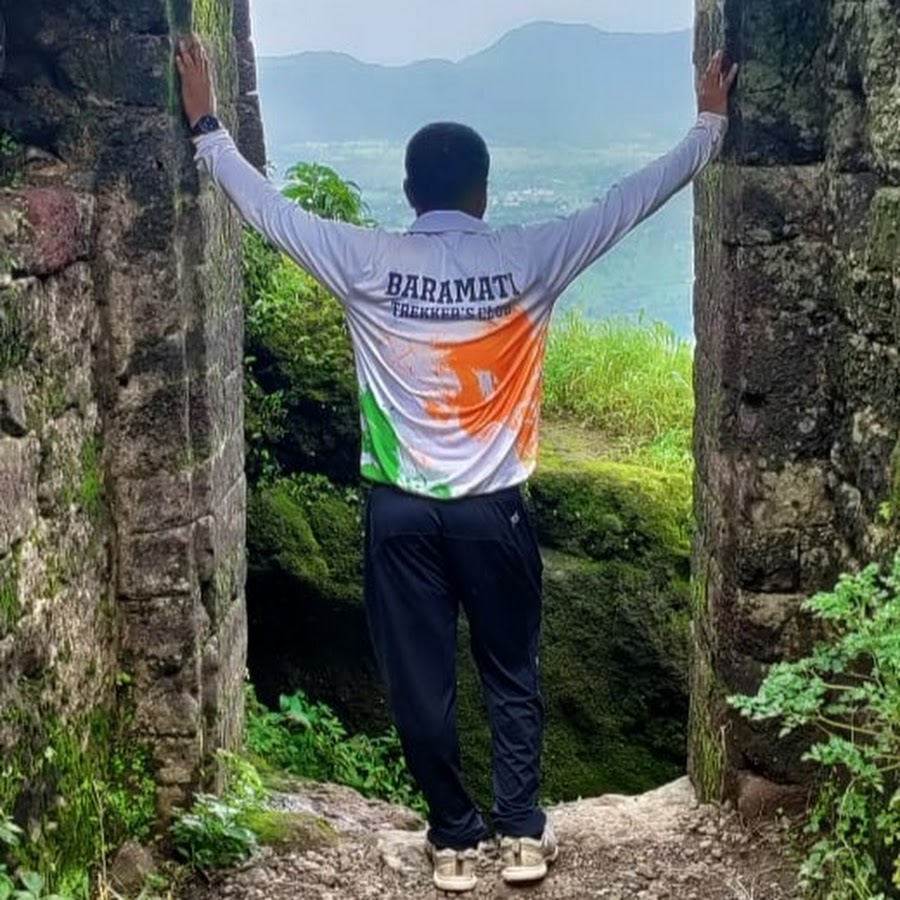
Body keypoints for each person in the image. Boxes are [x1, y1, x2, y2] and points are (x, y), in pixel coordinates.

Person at [177, 38, 737, 893]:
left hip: (399, 514)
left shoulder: (366, 262)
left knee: (419, 681)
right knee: (511, 671)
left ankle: (452, 840)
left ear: (409, 194)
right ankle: (521, 836)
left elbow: (267, 210)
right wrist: (708, 126)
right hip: (494, 511)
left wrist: (207, 127)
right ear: (484, 193)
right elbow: (628, 202)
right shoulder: (527, 258)